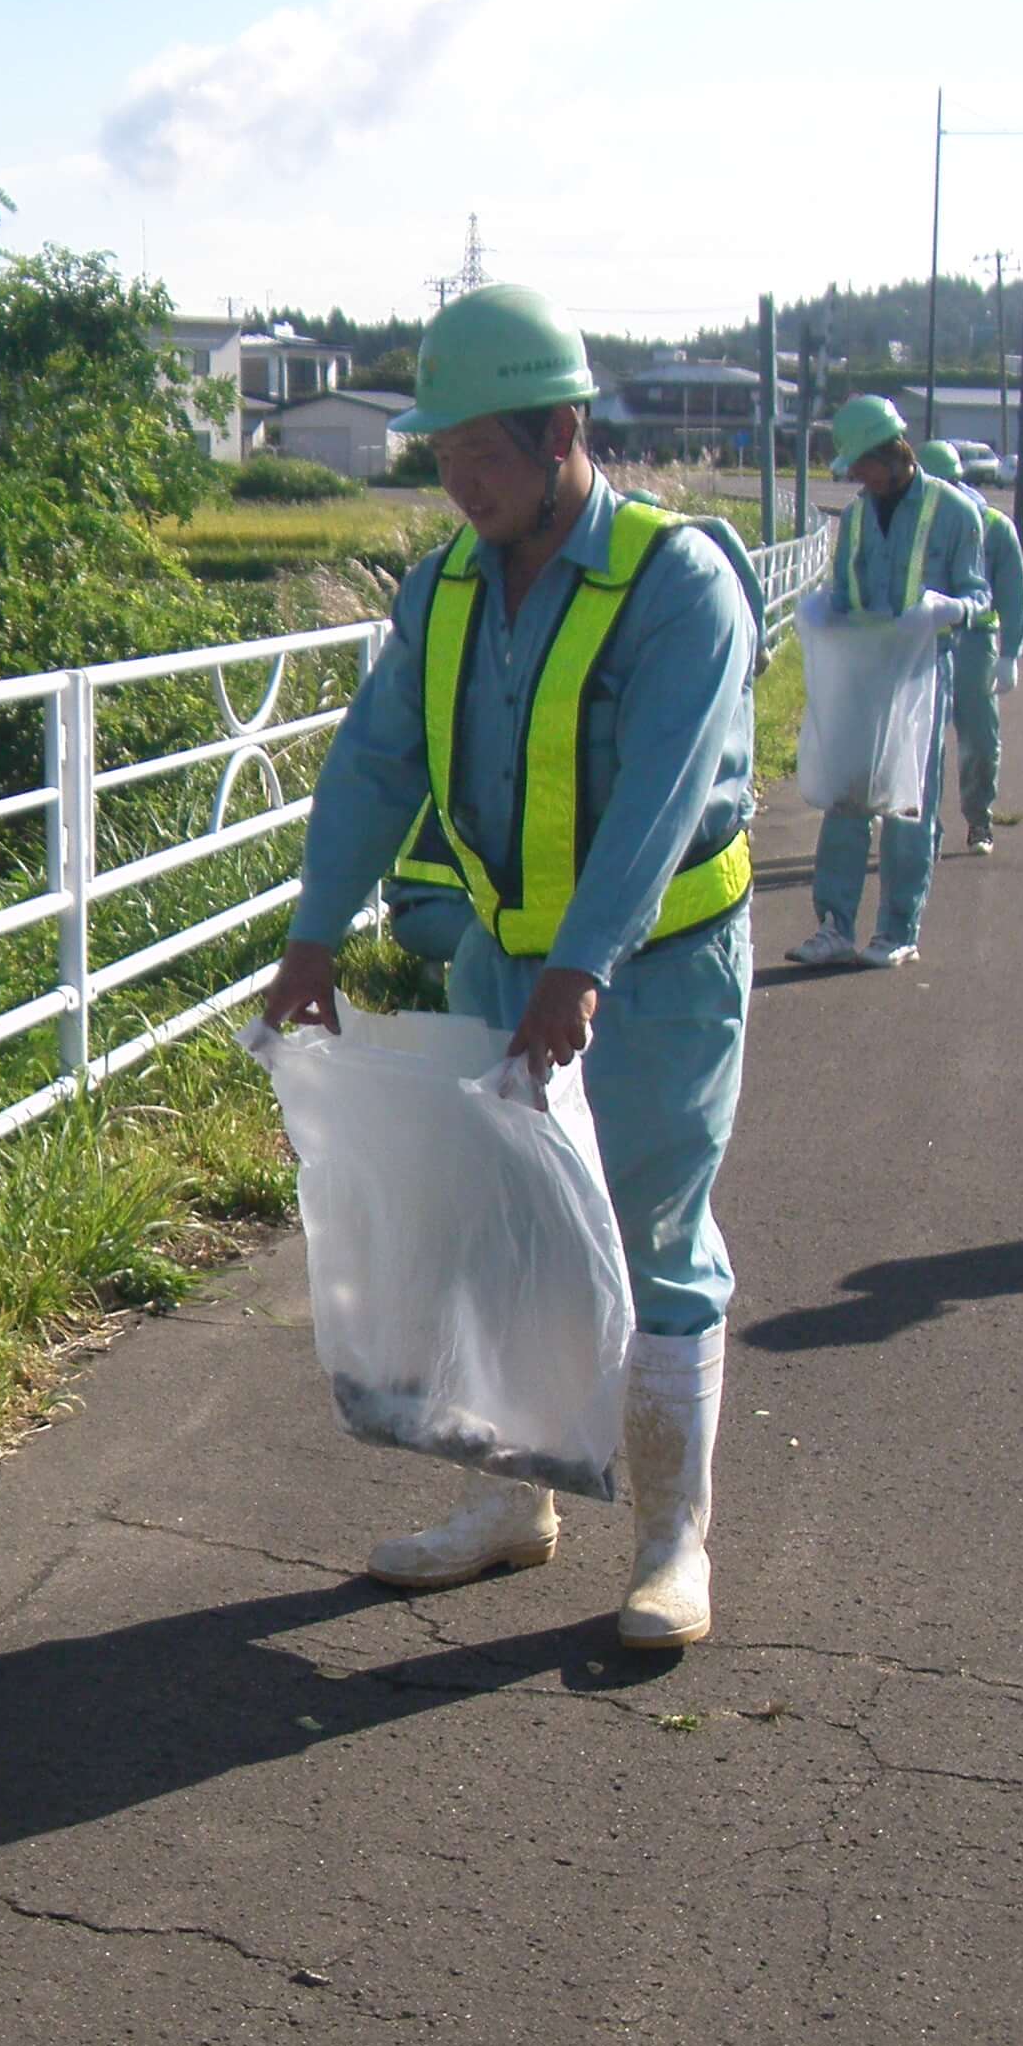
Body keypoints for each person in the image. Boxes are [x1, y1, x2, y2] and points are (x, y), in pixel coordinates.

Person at [258, 282, 759, 1652]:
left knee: (655, 1231)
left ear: (562, 430)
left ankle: (670, 1545)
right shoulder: (446, 592)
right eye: (443, 454)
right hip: (503, 962)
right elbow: (377, 761)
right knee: (495, 1238)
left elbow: (660, 799)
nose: (460, 481)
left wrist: (581, 968)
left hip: (656, 970)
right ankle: (510, 1507)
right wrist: (316, 931)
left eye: (484, 450)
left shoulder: (679, 585)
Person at [788, 396, 989, 969]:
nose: (855, 475)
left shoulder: (955, 513)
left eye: (861, 463)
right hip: (862, 672)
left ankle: (897, 930)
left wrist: (946, 610)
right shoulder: (854, 517)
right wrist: (824, 609)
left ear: (891, 453)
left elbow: (980, 597)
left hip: (921, 675)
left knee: (907, 805)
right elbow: (845, 590)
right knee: (847, 799)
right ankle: (833, 925)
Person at [916, 437, 1023, 854]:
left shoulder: (993, 527)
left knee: (980, 738)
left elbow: (1013, 593)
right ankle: (920, 823)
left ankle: (979, 817)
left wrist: (1010, 654)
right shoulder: (910, 521)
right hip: (921, 642)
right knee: (920, 739)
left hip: (974, 642)